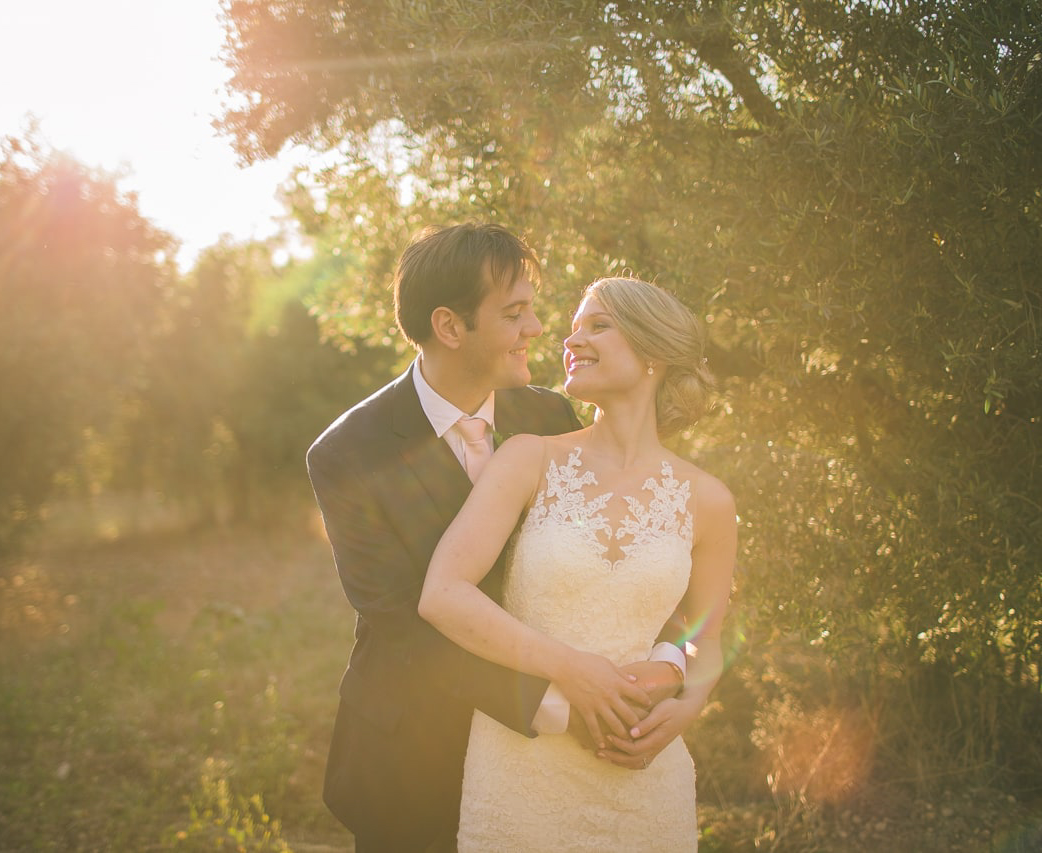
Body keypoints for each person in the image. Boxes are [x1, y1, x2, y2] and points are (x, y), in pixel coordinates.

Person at [307, 227, 696, 852]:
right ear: (450, 327)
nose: (538, 329)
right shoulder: (347, 454)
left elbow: (630, 554)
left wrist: (670, 665)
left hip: (559, 764)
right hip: (416, 750)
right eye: (515, 313)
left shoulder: (547, 416)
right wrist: (567, 707)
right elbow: (404, 619)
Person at [419, 276, 738, 851]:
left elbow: (705, 638)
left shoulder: (709, 500)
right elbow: (443, 594)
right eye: (572, 328)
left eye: (598, 325)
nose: (572, 339)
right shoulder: (529, 459)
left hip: (645, 780)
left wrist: (689, 705)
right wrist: (571, 669)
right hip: (521, 773)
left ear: (654, 354)